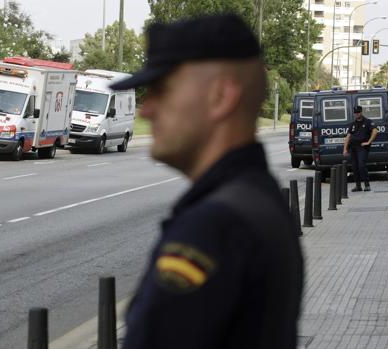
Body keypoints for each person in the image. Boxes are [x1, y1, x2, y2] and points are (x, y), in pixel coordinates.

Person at [110, 14, 303, 349]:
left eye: (161, 90)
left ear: (221, 96)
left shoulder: (213, 227)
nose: (146, 110)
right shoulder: (256, 198)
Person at [343, 105, 377, 192]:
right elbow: (348, 136)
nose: (357, 114)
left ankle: (367, 184)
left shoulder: (368, 122)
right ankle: (358, 186)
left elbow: (375, 131)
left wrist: (369, 142)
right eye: (355, 113)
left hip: (362, 147)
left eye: (358, 112)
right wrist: (345, 148)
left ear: (361, 112)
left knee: (362, 165)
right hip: (353, 147)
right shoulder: (353, 124)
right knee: (354, 167)